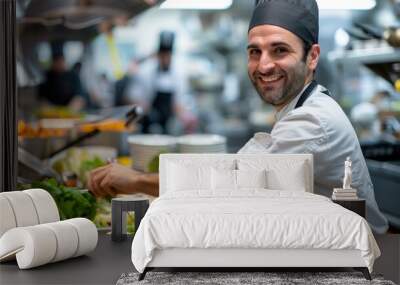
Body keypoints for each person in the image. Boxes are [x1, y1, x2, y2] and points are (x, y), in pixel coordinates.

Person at [88, 0, 388, 233]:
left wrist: (137, 180)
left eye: (279, 50)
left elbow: (234, 182)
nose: (264, 65)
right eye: (254, 52)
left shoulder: (312, 122)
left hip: (355, 264)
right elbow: (237, 167)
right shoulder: (298, 109)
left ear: (312, 57)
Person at [124, 31, 197, 134]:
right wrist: (140, 106)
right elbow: (130, 98)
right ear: (158, 55)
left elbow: (180, 103)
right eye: (162, 55)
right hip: (148, 123)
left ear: (172, 55)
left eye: (168, 56)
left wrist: (184, 114)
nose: (165, 59)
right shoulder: (146, 72)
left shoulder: (179, 75)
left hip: (170, 126)